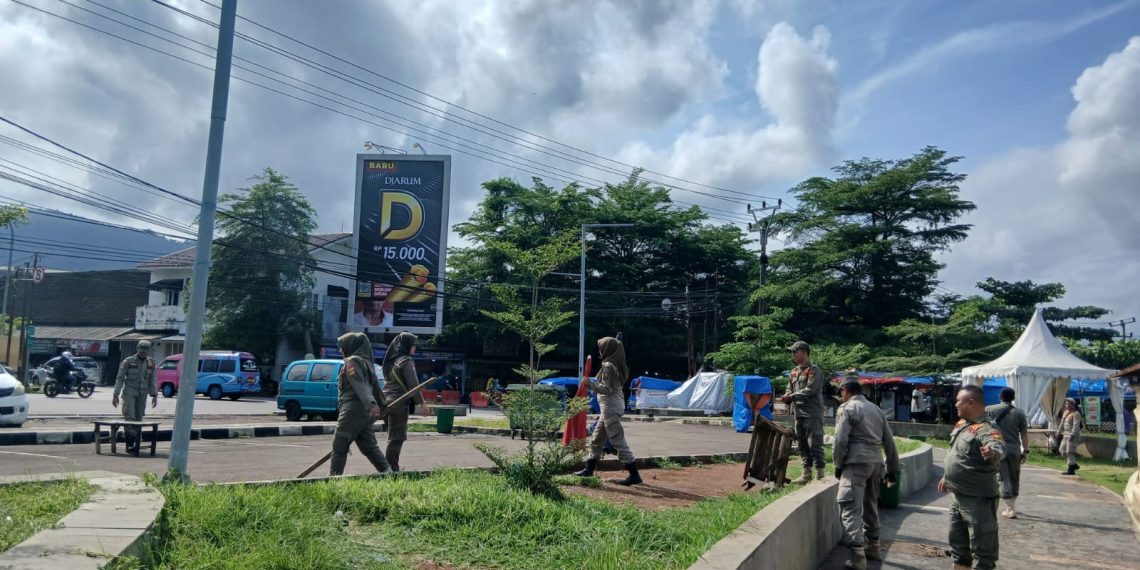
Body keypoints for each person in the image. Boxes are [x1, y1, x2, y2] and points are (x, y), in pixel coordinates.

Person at [833, 379, 899, 569]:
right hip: (876, 462)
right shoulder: (876, 409)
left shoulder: (847, 409)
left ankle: (857, 557)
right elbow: (889, 441)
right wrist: (893, 469)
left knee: (848, 506)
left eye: (840, 392)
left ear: (846, 391)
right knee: (870, 504)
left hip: (856, 463)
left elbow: (840, 440)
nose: (840, 396)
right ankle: (874, 547)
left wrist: (838, 465)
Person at [938, 384, 1005, 570]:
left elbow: (997, 446)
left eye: (959, 401)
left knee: (983, 549)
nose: (956, 404)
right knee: (958, 546)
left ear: (971, 402)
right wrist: (946, 476)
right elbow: (956, 452)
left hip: (978, 499)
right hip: (957, 496)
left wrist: (992, 452)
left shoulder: (986, 428)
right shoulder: (962, 425)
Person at [573, 336, 641, 486]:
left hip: (610, 407)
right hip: (609, 407)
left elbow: (606, 389)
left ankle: (634, 474)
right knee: (597, 438)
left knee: (617, 440)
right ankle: (588, 470)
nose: (599, 350)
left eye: (601, 347)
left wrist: (589, 384)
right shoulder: (615, 363)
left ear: (608, 349)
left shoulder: (609, 366)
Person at [328, 332, 391, 476]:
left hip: (353, 410)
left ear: (351, 346)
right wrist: (381, 405)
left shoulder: (353, 361)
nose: (340, 350)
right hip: (364, 413)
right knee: (368, 446)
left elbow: (360, 384)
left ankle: (334, 478)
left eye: (342, 346)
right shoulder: (367, 362)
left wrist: (371, 404)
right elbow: (375, 386)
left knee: (339, 445)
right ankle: (387, 472)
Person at [780, 341, 827, 483]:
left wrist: (791, 396)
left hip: (812, 413)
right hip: (799, 413)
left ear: (804, 352)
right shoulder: (794, 371)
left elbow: (810, 389)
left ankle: (820, 474)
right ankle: (806, 474)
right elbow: (789, 388)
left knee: (815, 443)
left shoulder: (814, 370)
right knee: (802, 444)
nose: (793, 354)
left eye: (796, 351)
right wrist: (786, 396)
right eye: (793, 352)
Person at [381, 332, 428, 472]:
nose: (415, 348)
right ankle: (392, 470)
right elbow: (414, 384)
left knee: (392, 436)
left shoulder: (392, 361)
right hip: (398, 403)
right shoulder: (406, 361)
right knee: (397, 437)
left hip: (386, 401)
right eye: (413, 345)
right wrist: (421, 403)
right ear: (407, 345)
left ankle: (389, 468)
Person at [985, 387, 1029, 518]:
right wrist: (1026, 451)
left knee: (1003, 477)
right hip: (1015, 449)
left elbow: (982, 429)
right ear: (1013, 398)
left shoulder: (989, 410)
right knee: (1014, 476)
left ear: (1000, 396)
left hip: (998, 448)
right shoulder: (1020, 413)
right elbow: (1024, 435)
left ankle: (1010, 508)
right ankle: (1012, 506)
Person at [112, 341, 157, 457]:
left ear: (148, 351)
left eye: (145, 351)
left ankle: (136, 442)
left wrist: (154, 395)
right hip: (129, 392)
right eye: (141, 351)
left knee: (139, 417)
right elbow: (120, 378)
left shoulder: (151, 362)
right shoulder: (128, 361)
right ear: (137, 349)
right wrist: (115, 394)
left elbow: (152, 379)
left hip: (143, 393)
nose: (142, 353)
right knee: (129, 416)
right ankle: (130, 443)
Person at [1059, 397, 1084, 476]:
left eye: (1068, 403)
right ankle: (1074, 465)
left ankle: (1071, 469)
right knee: (1062, 450)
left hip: (1073, 435)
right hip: (1065, 434)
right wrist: (1058, 431)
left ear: (1073, 405)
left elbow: (1076, 426)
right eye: (1066, 403)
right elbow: (1062, 423)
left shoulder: (1076, 414)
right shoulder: (1065, 412)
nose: (1067, 405)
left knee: (1069, 451)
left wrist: (1072, 434)